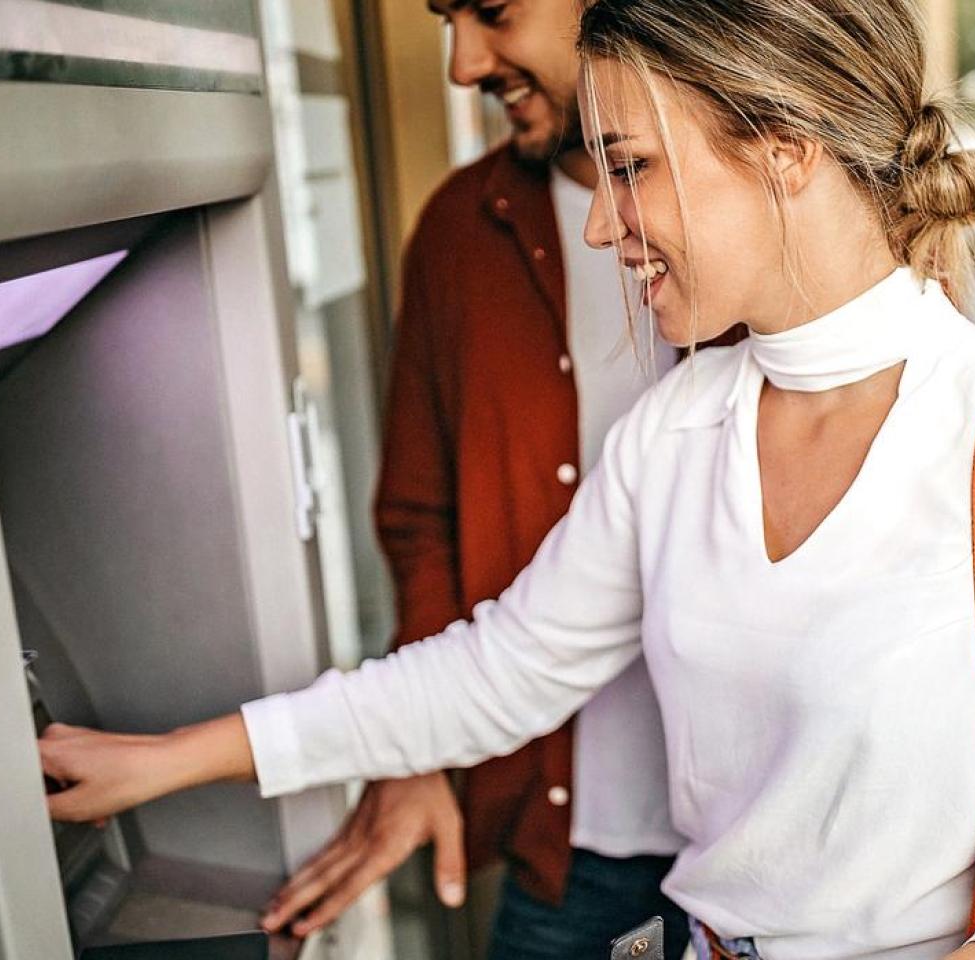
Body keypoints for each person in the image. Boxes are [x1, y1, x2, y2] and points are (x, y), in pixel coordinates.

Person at [38, 1, 975, 957]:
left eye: (627, 166)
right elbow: (498, 673)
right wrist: (175, 760)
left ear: (782, 150)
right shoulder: (673, 436)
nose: (597, 221)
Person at [254, 0, 690, 956]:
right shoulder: (459, 231)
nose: (461, 65)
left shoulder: (794, 242)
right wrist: (414, 753)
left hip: (766, 857)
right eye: (447, 19)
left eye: (492, 11)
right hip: (567, 856)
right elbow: (421, 525)